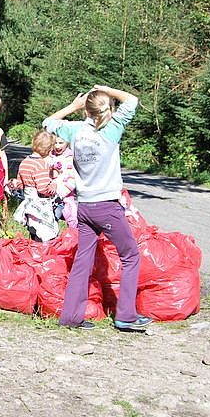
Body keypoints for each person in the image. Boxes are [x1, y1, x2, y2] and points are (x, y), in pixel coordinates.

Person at [43, 85, 151, 332]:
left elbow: (48, 122)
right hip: (107, 207)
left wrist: (73, 106)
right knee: (131, 256)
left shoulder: (75, 130)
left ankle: (71, 316)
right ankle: (126, 316)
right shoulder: (112, 129)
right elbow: (132, 100)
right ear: (109, 109)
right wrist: (105, 88)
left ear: (86, 111)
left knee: (83, 260)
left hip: (84, 207)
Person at [9, 130, 59, 242]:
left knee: (33, 231)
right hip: (40, 204)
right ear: (48, 149)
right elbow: (43, 188)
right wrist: (53, 186)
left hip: (28, 204)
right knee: (45, 234)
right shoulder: (41, 164)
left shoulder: (25, 162)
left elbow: (20, 183)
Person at [49, 136, 78, 229]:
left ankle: (72, 234)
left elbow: (72, 179)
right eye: (55, 143)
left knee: (71, 216)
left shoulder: (70, 158)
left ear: (67, 143)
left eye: (61, 143)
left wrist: (60, 194)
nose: (57, 146)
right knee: (50, 219)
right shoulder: (50, 156)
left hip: (65, 196)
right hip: (50, 195)